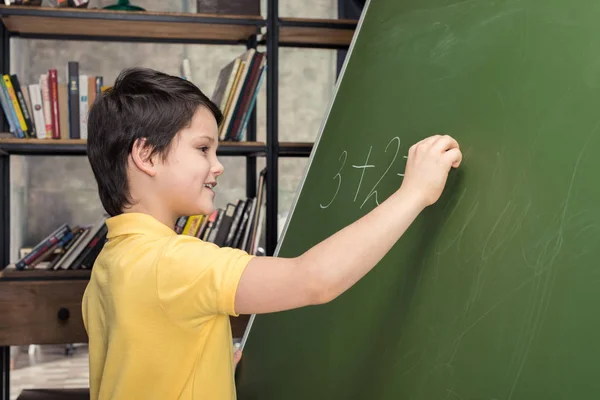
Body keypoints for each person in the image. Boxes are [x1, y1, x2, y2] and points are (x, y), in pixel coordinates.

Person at [82, 67, 462, 400]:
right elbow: (314, 279)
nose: (218, 168)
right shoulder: (174, 261)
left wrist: (205, 372)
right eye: (203, 149)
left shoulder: (111, 263)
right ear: (146, 156)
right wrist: (414, 193)